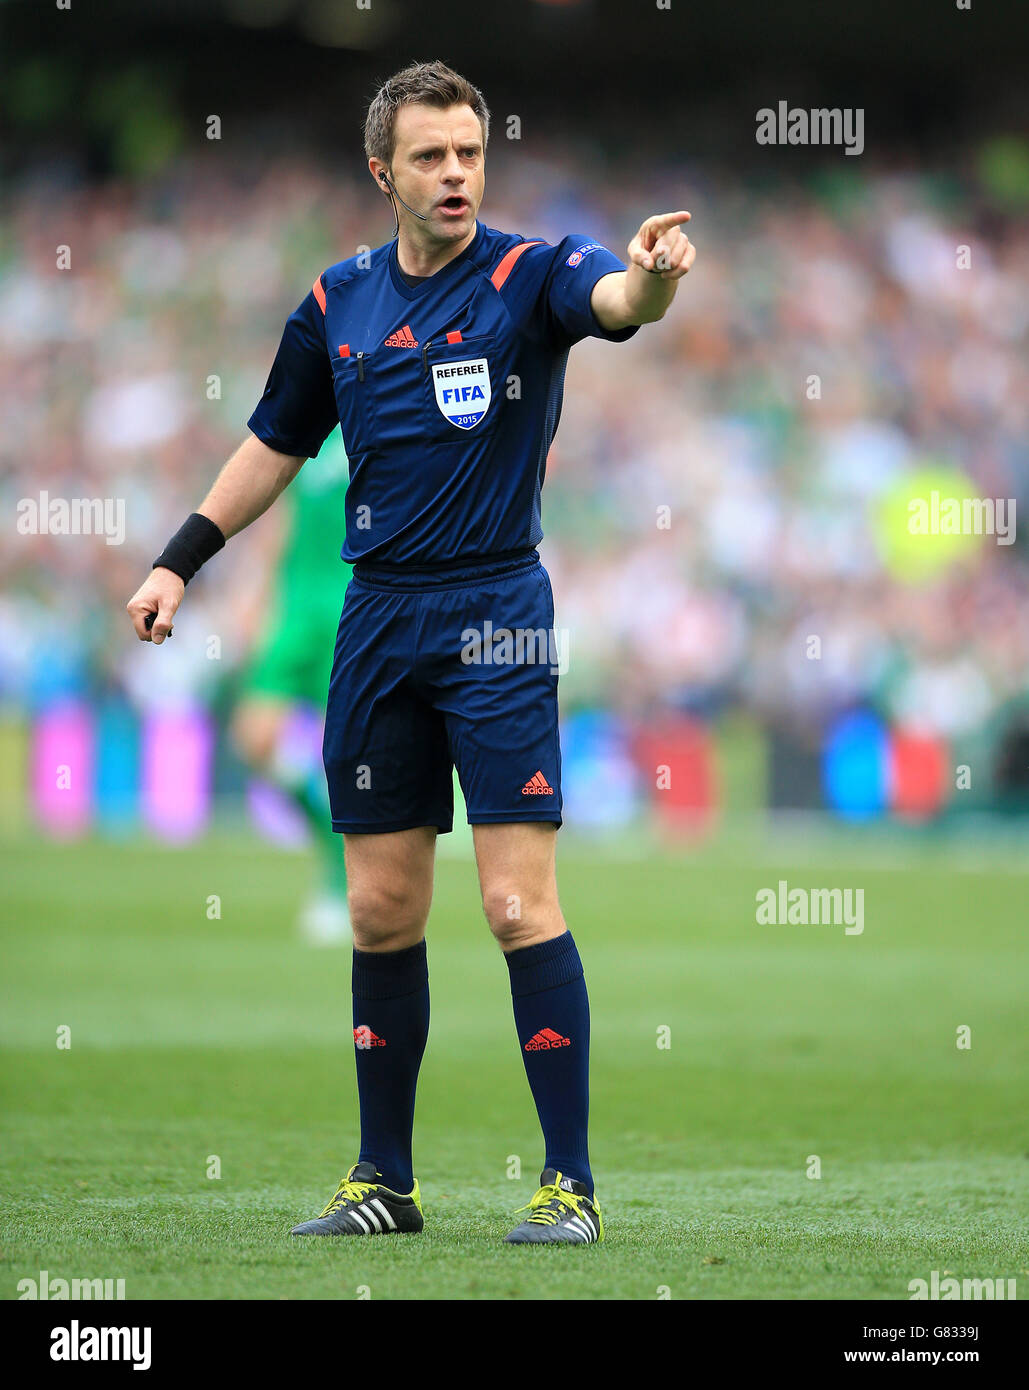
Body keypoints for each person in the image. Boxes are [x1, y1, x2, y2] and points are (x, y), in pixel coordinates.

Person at [126, 59, 695, 1246]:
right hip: (377, 620)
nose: (455, 175)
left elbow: (618, 308)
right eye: (431, 156)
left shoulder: (533, 273)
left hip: (497, 617)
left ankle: (569, 1184)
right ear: (381, 170)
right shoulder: (336, 302)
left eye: (471, 153)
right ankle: (385, 1179)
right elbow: (274, 444)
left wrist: (646, 280)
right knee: (382, 910)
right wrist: (180, 556)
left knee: (511, 900)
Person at [230, 426, 353, 945]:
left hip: (355, 605)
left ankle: (337, 885)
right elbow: (278, 515)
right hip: (296, 611)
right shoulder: (310, 424)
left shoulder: (387, 414)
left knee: (347, 760)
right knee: (253, 740)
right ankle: (330, 841)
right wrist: (254, 595)